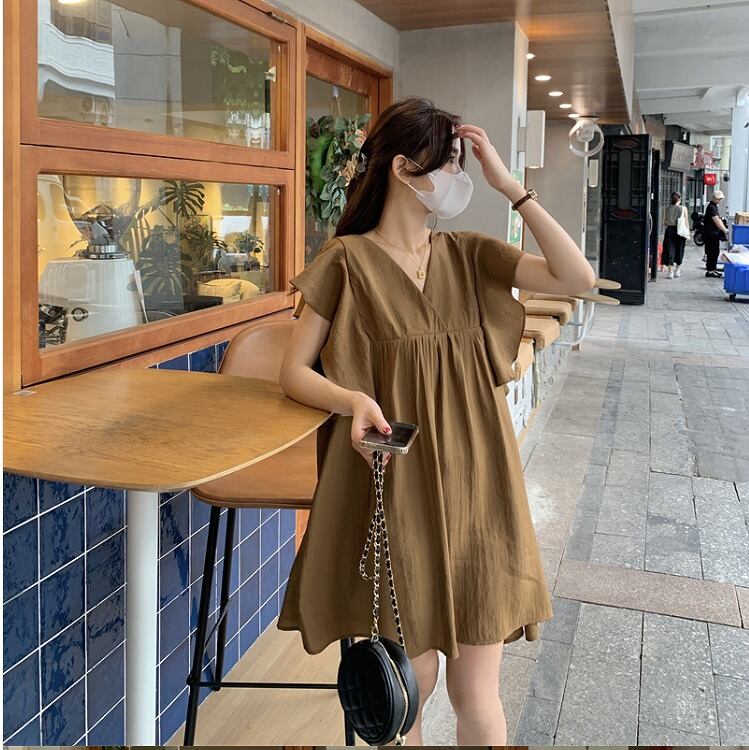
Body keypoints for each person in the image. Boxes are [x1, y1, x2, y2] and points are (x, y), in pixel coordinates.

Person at [276, 97, 596, 745]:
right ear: (403, 168)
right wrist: (352, 402)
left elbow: (577, 277)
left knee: (477, 693)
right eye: (449, 163)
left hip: (481, 487)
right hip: (398, 493)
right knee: (411, 689)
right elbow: (294, 371)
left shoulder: (469, 256)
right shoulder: (345, 262)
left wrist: (512, 188)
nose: (459, 176)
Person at [703, 189, 729, 277]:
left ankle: (712, 269)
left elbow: (718, 219)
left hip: (713, 233)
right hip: (711, 234)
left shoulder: (714, 207)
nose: (720, 200)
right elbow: (716, 220)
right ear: (714, 198)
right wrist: (724, 230)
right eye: (719, 199)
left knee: (715, 252)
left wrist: (724, 229)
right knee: (712, 252)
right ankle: (710, 271)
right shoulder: (711, 207)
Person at [662, 192, 687, 278]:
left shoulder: (666, 209)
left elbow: (664, 222)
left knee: (670, 250)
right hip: (681, 231)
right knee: (680, 250)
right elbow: (686, 223)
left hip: (670, 230)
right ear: (679, 199)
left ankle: (670, 272)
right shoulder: (683, 208)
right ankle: (677, 270)